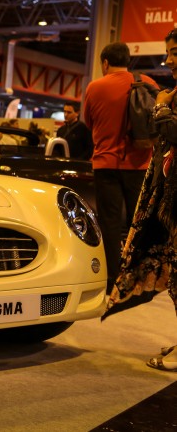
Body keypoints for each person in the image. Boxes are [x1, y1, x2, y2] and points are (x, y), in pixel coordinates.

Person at [102, 29, 177, 372]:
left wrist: (162, 111)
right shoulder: (161, 87)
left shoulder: (164, 95)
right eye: (168, 52)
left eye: (175, 52)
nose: (169, 60)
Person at [83, 42, 158, 294]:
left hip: (106, 164)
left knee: (110, 223)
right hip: (139, 164)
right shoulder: (146, 82)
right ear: (128, 60)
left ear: (105, 63)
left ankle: (111, 279)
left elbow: (88, 121)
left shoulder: (95, 87)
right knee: (140, 222)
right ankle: (141, 278)